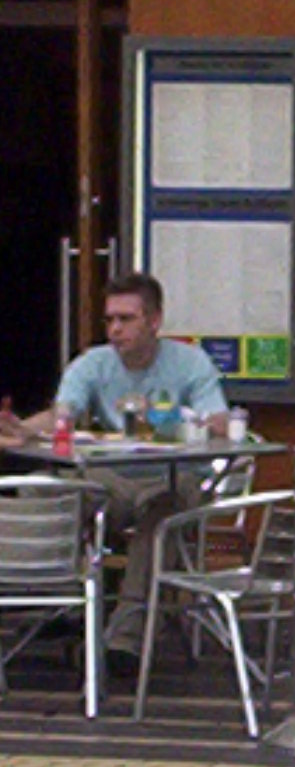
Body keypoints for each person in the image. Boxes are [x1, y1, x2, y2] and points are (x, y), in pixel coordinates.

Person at [0, 271, 229, 676]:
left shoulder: (190, 362)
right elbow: (62, 413)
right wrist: (23, 429)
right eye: (110, 320)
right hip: (114, 476)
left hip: (174, 476)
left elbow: (220, 423)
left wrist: (178, 421)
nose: (116, 330)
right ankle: (61, 603)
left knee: (164, 515)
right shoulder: (94, 362)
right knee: (47, 491)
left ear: (154, 321)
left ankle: (124, 643)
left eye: (126, 319)